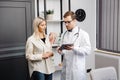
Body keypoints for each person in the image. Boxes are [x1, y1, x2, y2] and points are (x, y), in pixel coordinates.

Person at [57, 11, 91, 80]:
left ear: (75, 20)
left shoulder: (83, 34)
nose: (66, 24)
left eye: (68, 22)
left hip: (77, 70)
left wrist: (74, 48)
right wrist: (60, 51)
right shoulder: (64, 34)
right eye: (65, 22)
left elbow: (88, 50)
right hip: (66, 68)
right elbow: (64, 51)